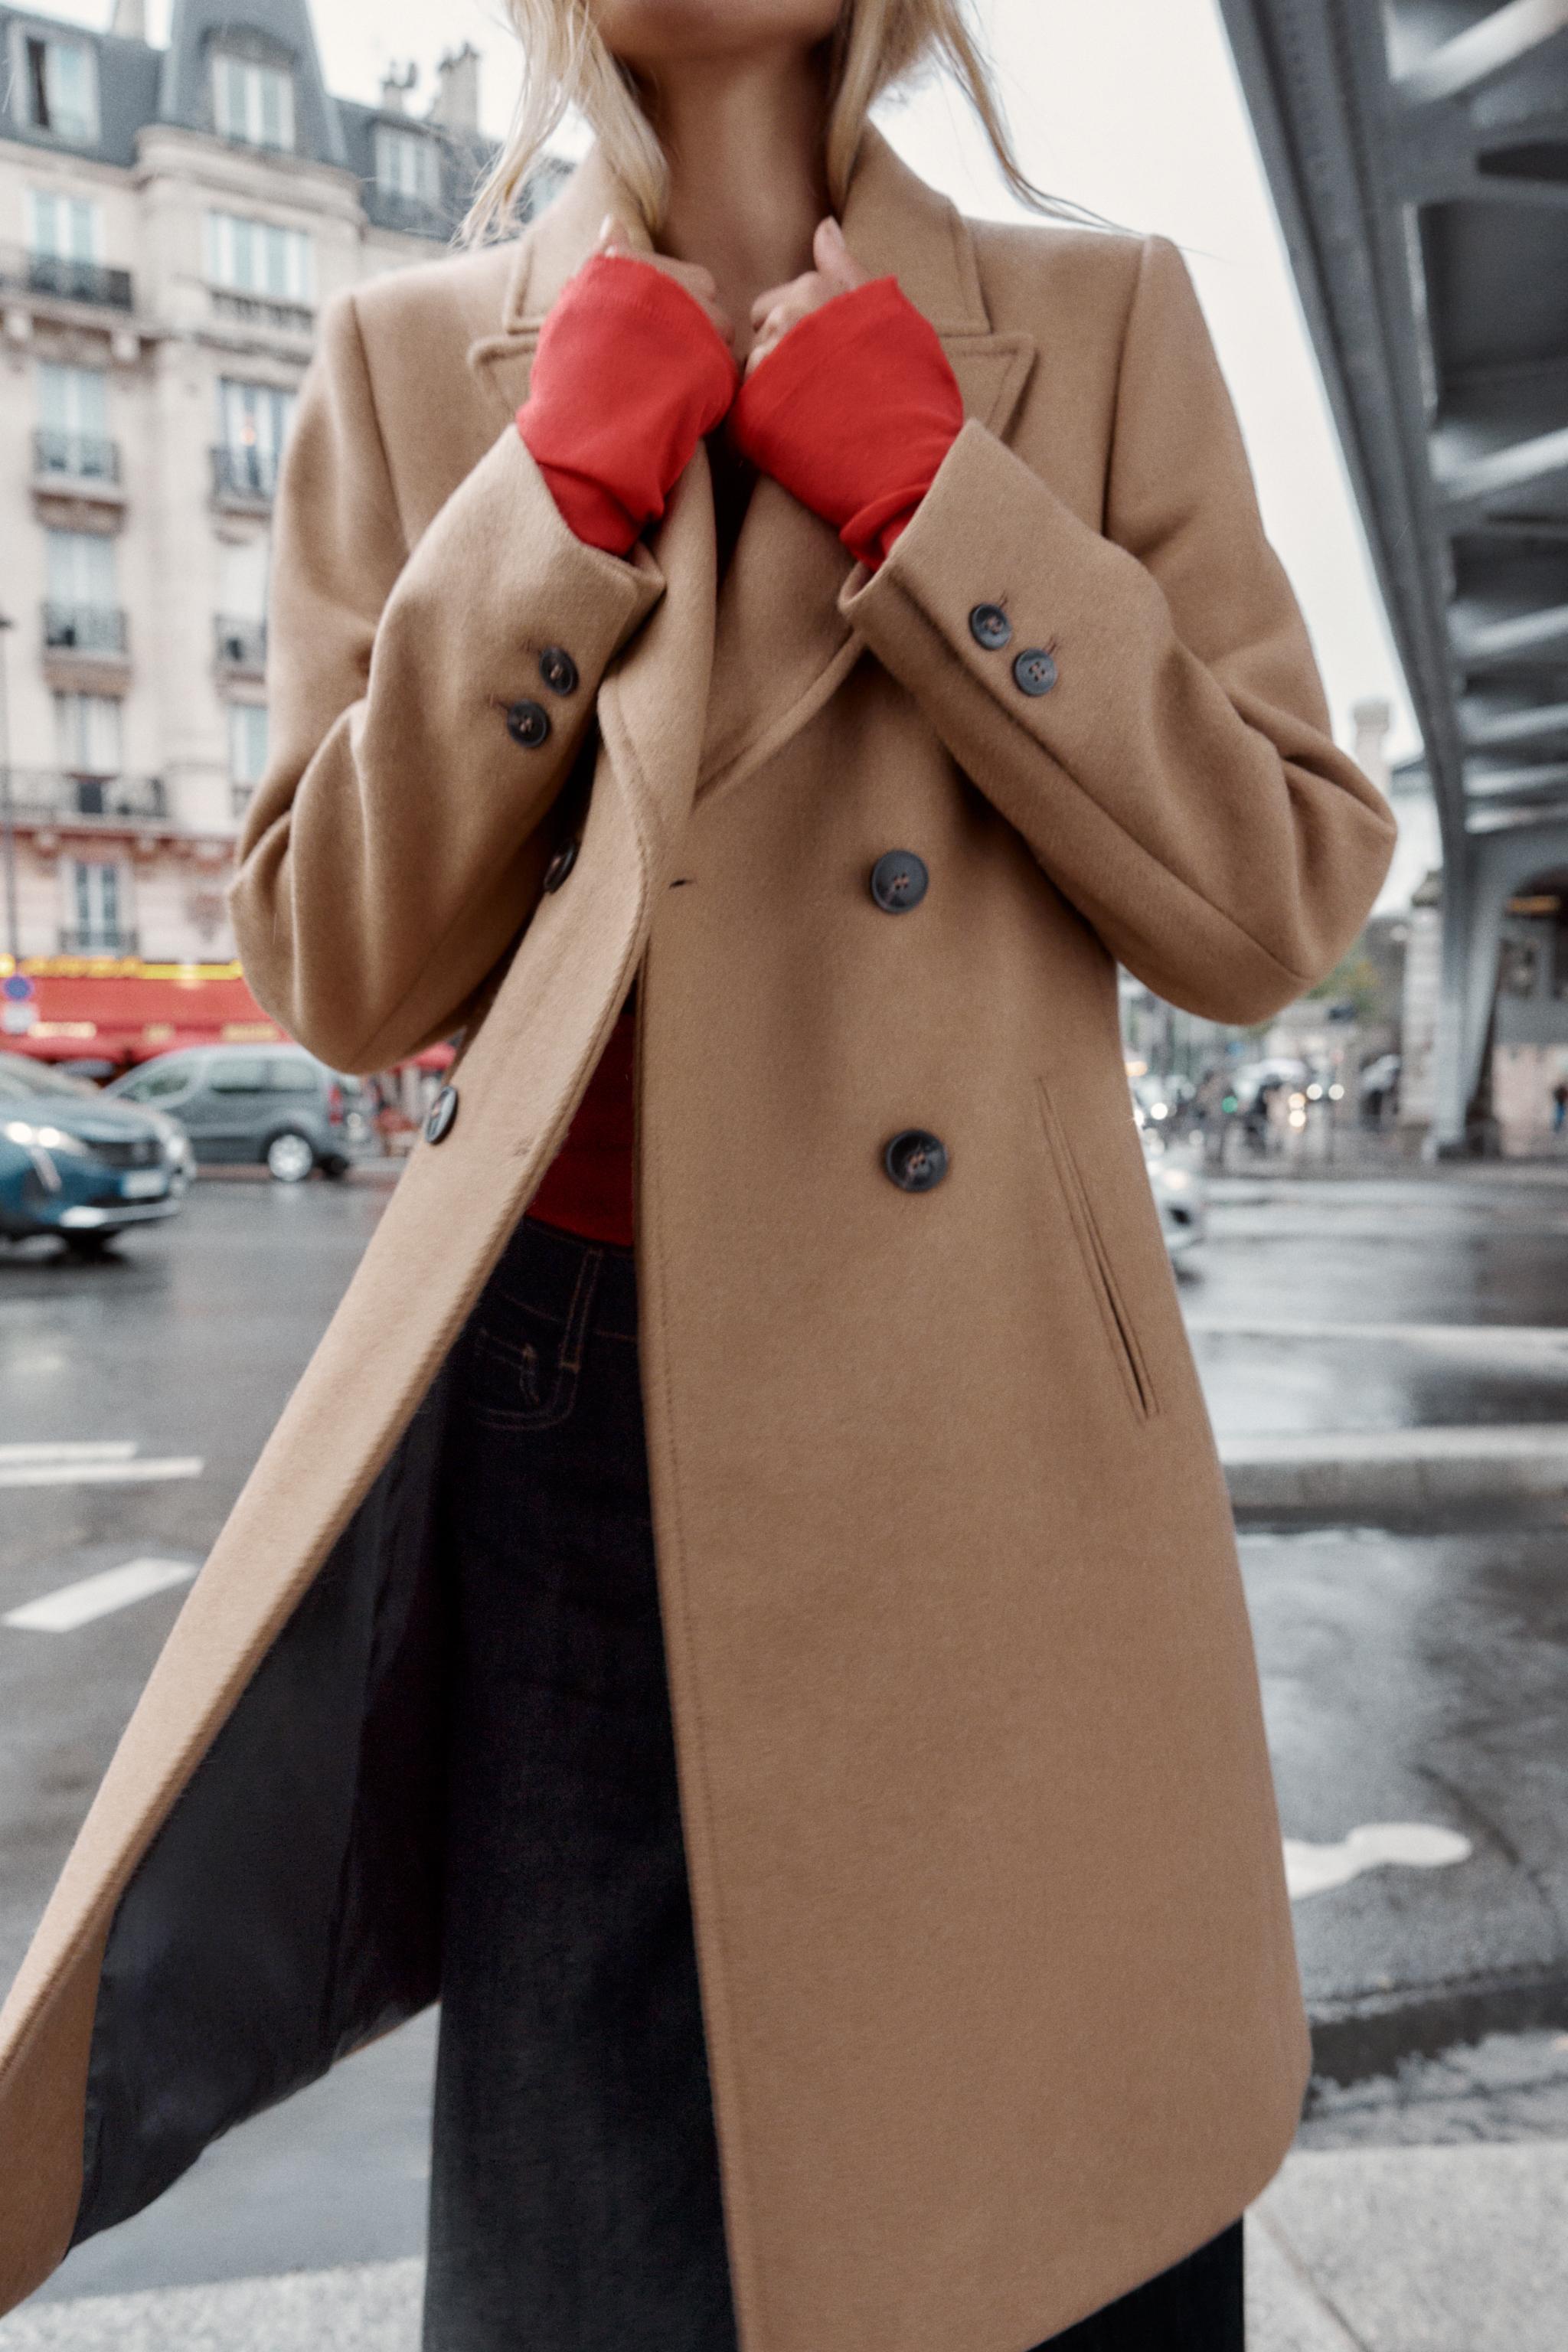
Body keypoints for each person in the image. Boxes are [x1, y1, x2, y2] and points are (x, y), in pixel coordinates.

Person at [0, 5, 1397, 2348]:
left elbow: (1273, 901)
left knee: (1043, 2177)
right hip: (585, 1408)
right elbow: (338, 967)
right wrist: (550, 505)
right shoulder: (412, 356)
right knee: (609, 2232)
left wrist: (940, 503)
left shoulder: (1096, 316)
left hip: (1002, 1411)